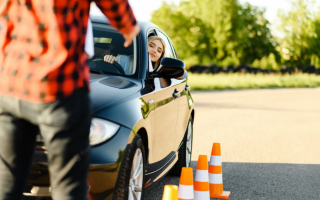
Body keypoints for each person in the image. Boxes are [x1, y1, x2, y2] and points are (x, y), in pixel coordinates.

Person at [0, 1, 140, 200]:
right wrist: (128, 26)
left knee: (6, 183)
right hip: (59, 85)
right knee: (69, 187)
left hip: (11, 83)